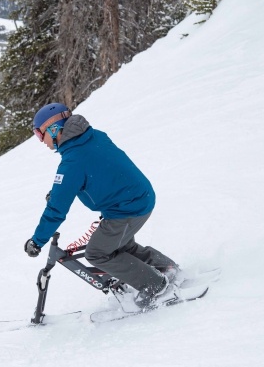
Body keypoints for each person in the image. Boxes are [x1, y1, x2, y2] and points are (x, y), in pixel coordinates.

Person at [24, 102, 180, 309]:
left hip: (126, 208)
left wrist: (37, 241)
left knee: (97, 253)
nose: (40, 140)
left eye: (39, 133)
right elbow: (100, 169)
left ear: (54, 129)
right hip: (140, 197)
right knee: (121, 246)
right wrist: (62, 190)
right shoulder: (94, 136)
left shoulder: (72, 162)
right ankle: (166, 268)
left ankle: (155, 285)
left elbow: (57, 210)